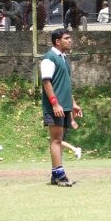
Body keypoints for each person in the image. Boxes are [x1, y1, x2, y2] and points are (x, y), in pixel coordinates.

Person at [41, 28, 83, 186]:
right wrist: (55, 103)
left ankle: (55, 175)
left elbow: (65, 84)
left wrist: (72, 104)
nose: (70, 40)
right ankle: (60, 176)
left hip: (64, 106)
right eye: (67, 38)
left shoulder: (64, 58)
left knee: (60, 140)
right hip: (55, 107)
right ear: (57, 41)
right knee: (56, 140)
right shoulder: (49, 58)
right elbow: (46, 82)